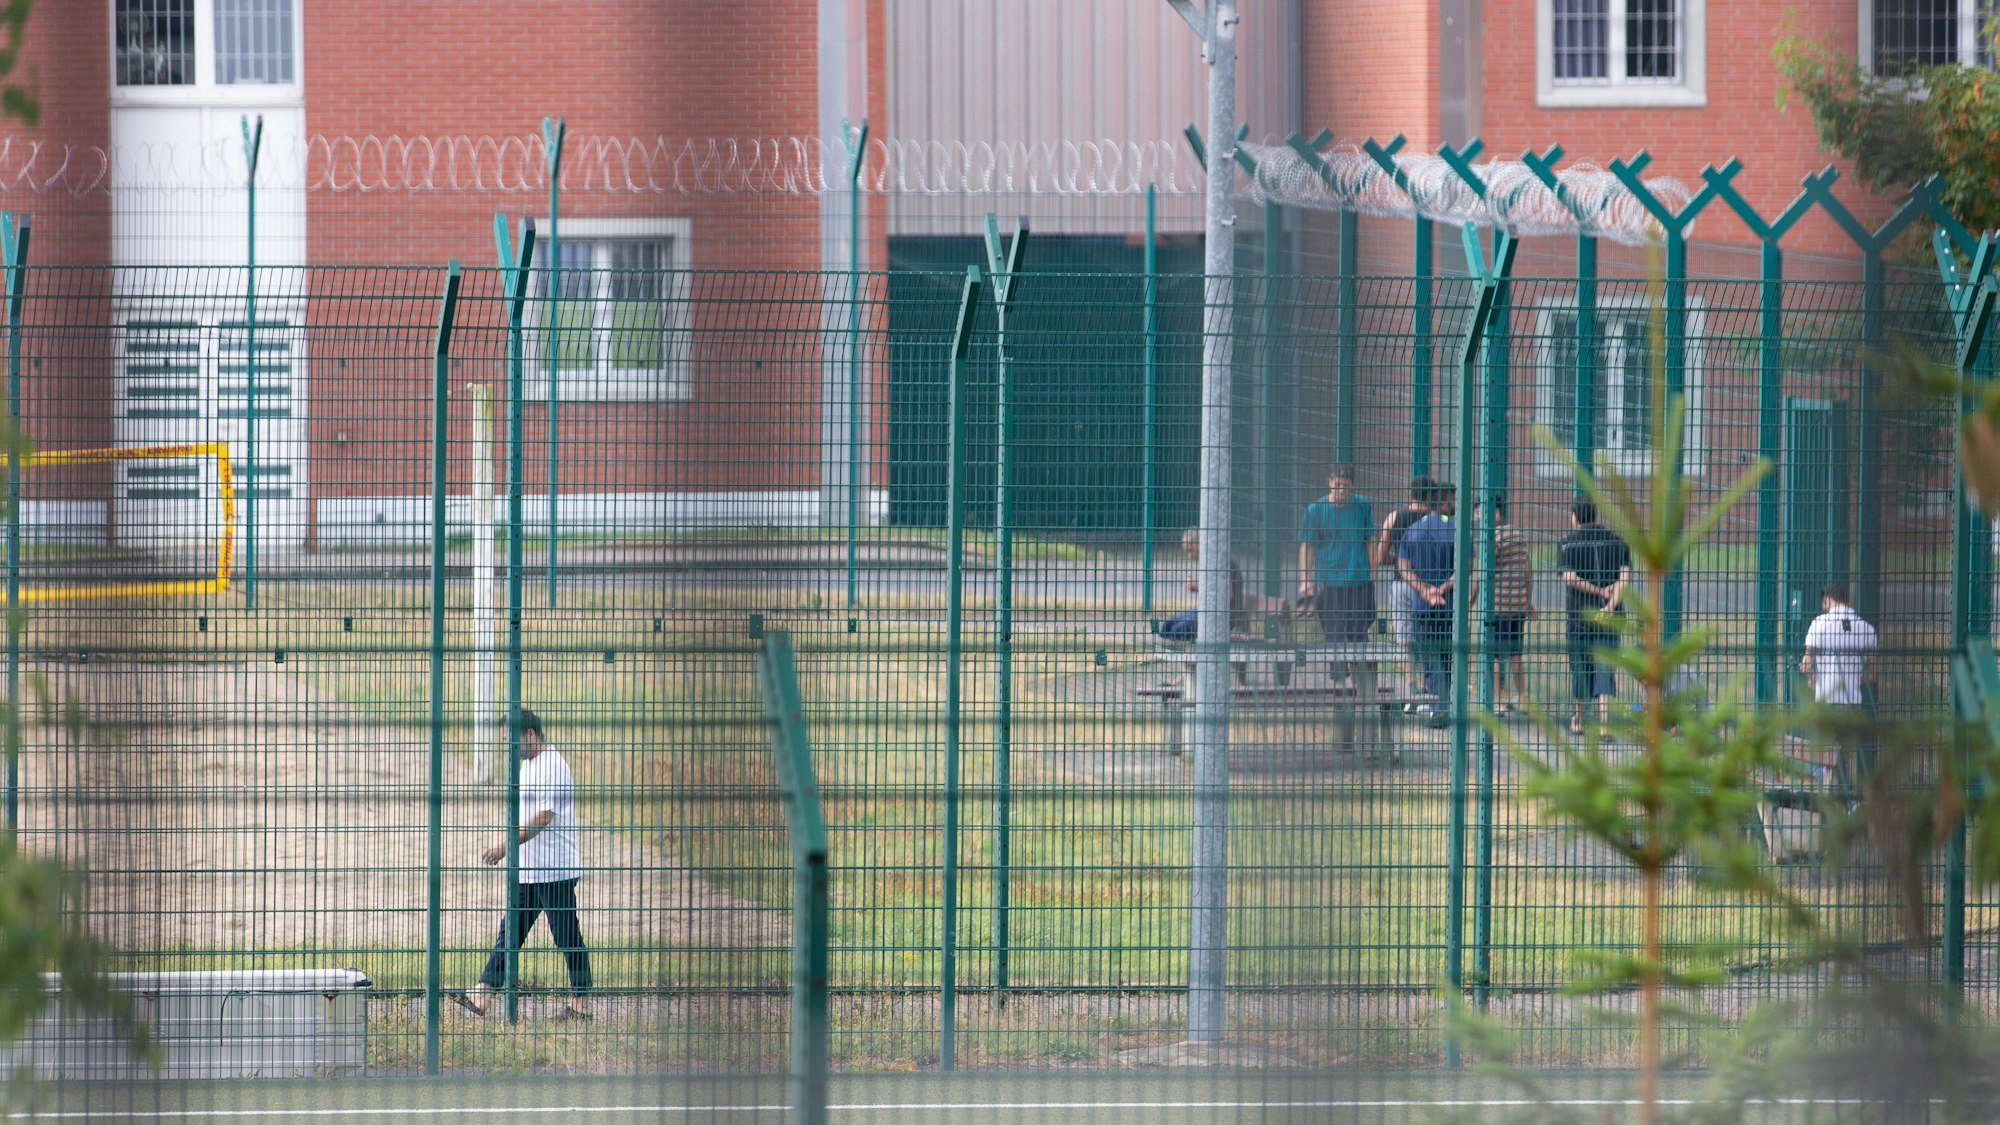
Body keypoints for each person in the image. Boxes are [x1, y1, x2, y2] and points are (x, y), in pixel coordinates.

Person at [453, 708, 593, 1021]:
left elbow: (543, 817)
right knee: (510, 932)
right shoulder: (527, 766)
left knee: (566, 936)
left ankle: (580, 1006)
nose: (509, 749)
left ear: (530, 735)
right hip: (528, 869)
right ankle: (482, 993)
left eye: (513, 741)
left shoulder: (553, 766)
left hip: (554, 870)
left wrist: (505, 845)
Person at [1558, 499, 1631, 736]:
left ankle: (1579, 718)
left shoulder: (1567, 544)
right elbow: (1624, 578)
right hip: (1610, 618)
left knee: (1579, 665)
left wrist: (1596, 591)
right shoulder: (1618, 542)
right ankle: (1604, 723)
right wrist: (1609, 606)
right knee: (1605, 666)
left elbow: (1569, 578)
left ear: (1574, 516)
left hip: (1579, 616)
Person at [1299, 466, 1376, 690]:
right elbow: (1308, 546)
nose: (1342, 489)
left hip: (1358, 580)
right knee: (1334, 635)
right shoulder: (1315, 510)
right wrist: (1305, 580)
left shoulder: (1362, 506)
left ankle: (1363, 688)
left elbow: (1370, 541)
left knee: (1359, 635)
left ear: (1351, 485)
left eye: (1346, 485)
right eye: (1338, 484)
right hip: (1329, 582)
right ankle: (1341, 689)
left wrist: (1373, 574)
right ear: (1330, 482)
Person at [1800, 582, 1879, 799]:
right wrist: (1856, 678)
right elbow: (1873, 674)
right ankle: (1844, 800)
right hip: (1851, 706)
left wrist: (1811, 678)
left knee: (1819, 756)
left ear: (1827, 600)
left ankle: (1832, 800)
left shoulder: (1819, 624)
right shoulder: (1866, 629)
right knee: (1840, 758)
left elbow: (1806, 663)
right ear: (1849, 602)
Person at [1397, 481, 1457, 725]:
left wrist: (1424, 590)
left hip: (1422, 606)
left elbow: (1403, 567)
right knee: (1447, 656)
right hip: (1448, 604)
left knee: (1429, 658)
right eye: (1452, 499)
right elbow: (1466, 567)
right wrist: (1441, 589)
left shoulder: (1413, 529)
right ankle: (1444, 705)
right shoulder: (1454, 529)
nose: (1455, 504)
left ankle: (1437, 707)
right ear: (1442, 503)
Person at [1473, 497, 1534, 716]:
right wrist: (1528, 600)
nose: (1478, 517)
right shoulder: (1519, 535)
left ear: (1495, 512)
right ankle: (1523, 698)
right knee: (1516, 653)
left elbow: (1482, 573)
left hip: (1497, 604)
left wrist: (1471, 600)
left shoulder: (1492, 538)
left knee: (1495, 655)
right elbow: (1528, 571)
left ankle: (1497, 701)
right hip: (1517, 604)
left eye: (1480, 512)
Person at [1375, 476, 1434, 697]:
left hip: (1401, 583)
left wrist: (1399, 562)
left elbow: (1380, 557)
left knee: (1403, 637)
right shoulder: (1436, 519)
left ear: (1411, 494)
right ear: (1431, 496)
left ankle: (1411, 683)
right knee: (1426, 635)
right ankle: (1427, 682)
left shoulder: (1394, 517)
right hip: (1427, 586)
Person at [1156, 528, 1245, 642]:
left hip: (1221, 616)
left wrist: (1198, 588)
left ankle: (1182, 656)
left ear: (1199, 545)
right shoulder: (1211, 559)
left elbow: (1228, 596)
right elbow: (1215, 589)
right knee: (1167, 626)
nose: (1189, 556)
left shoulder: (1221, 560)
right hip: (1207, 611)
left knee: (1176, 630)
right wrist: (1197, 588)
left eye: (1190, 550)